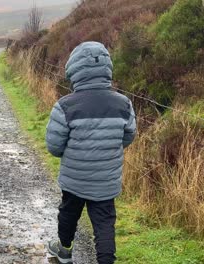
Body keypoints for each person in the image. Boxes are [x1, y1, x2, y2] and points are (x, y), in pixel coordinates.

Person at [45, 41, 137, 264]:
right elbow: (128, 137)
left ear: (74, 69)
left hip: (75, 180)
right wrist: (106, 149)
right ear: (107, 68)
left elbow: (54, 146)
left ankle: (64, 251)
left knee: (68, 214)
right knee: (104, 225)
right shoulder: (124, 104)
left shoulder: (65, 106)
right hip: (106, 180)